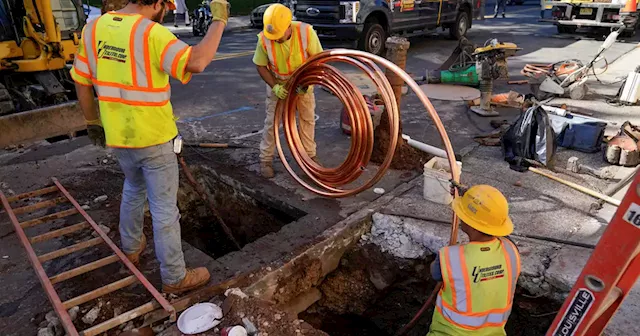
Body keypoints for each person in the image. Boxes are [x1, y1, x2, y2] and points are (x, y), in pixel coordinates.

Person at [70, 0, 229, 294]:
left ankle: (131, 247)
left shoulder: (93, 28)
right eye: (164, 6)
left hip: (119, 136)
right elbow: (197, 61)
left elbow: (81, 81)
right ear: (156, 3)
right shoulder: (152, 34)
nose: (164, 11)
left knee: (133, 187)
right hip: (154, 138)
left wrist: (92, 120)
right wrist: (219, 21)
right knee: (164, 209)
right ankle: (174, 277)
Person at [427, 185, 521, 336]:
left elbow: (435, 273)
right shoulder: (511, 251)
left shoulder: (450, 257)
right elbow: (499, 230)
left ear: (470, 223)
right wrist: (471, 198)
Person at [253, 4, 323, 178]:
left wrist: (305, 84)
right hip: (278, 84)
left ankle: (309, 157)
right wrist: (275, 86)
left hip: (303, 83)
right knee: (272, 122)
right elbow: (260, 65)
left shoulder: (306, 33)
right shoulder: (264, 38)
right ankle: (266, 159)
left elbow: (319, 61)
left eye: (278, 35)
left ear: (288, 26)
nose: (275, 39)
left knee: (307, 119)